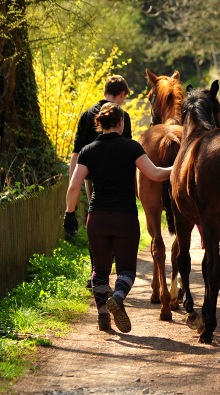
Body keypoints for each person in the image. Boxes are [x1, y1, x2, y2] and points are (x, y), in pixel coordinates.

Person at [64, 102, 172, 332]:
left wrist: (69, 214)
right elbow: (154, 174)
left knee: (100, 272)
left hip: (98, 218)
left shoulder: (88, 151)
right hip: (125, 219)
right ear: (121, 122)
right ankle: (119, 297)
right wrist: (179, 166)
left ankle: (103, 315)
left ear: (99, 124)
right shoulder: (131, 147)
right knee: (126, 271)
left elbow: (74, 187)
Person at [69, 75, 132, 288]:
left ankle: (95, 271)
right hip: (118, 178)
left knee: (95, 219)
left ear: (105, 90)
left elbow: (76, 151)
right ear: (122, 94)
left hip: (91, 177)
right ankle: (115, 271)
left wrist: (72, 184)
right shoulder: (122, 115)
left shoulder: (86, 115)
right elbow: (128, 150)